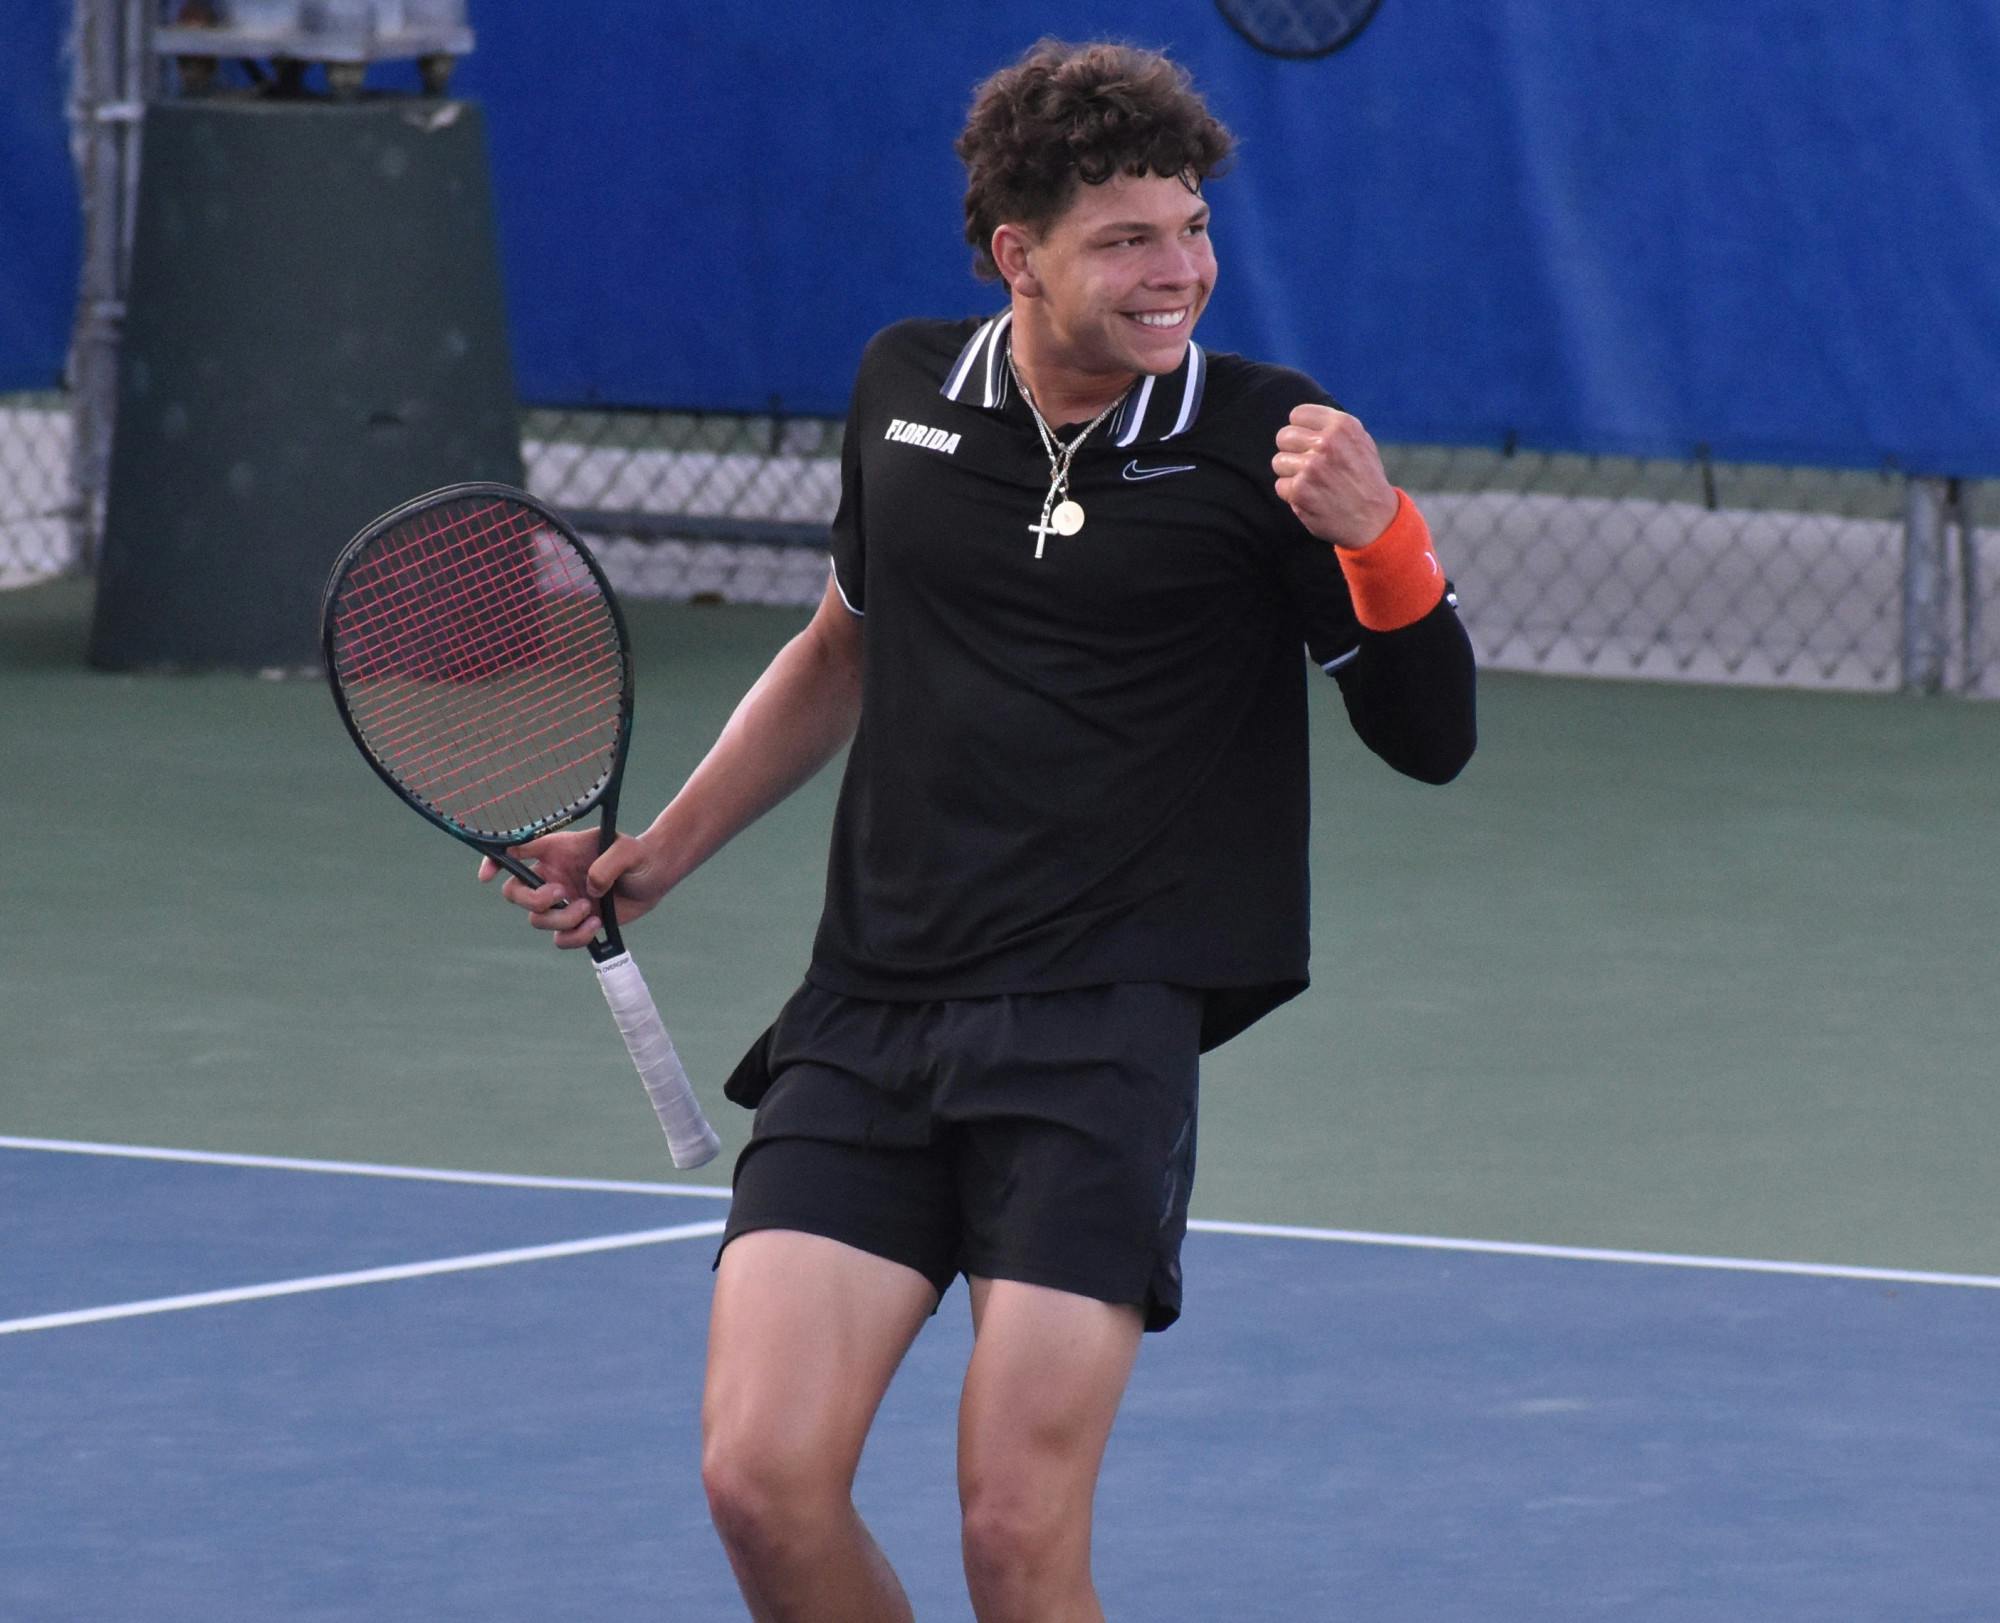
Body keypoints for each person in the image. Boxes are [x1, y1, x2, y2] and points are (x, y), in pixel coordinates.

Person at [482, 38, 1475, 1623]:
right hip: (872, 1012)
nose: (1182, 273)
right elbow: (842, 649)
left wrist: (1385, 543)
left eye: (1196, 228)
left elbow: (1430, 742)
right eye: (1129, 241)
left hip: (1102, 1030)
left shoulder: (1271, 442)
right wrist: (652, 856)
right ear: (1016, 253)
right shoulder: (903, 391)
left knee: (1015, 1535)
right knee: (760, 1480)